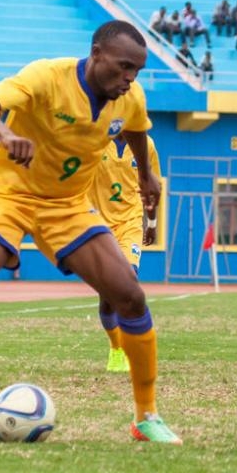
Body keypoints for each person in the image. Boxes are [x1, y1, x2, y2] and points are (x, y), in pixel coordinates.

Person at [0, 20, 181, 445]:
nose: (130, 77)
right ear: (96, 54)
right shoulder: (47, 77)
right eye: (124, 66)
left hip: (67, 204)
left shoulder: (129, 97)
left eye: (137, 70)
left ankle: (146, 417)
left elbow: (136, 128)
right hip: (9, 195)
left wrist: (146, 175)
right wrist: (5, 133)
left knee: (130, 296)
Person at [88, 132, 161, 372]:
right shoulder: (95, 138)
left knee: (127, 283)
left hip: (130, 223)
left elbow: (151, 187)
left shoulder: (146, 144)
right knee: (108, 295)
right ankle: (116, 348)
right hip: (98, 224)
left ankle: (132, 348)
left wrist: (152, 223)